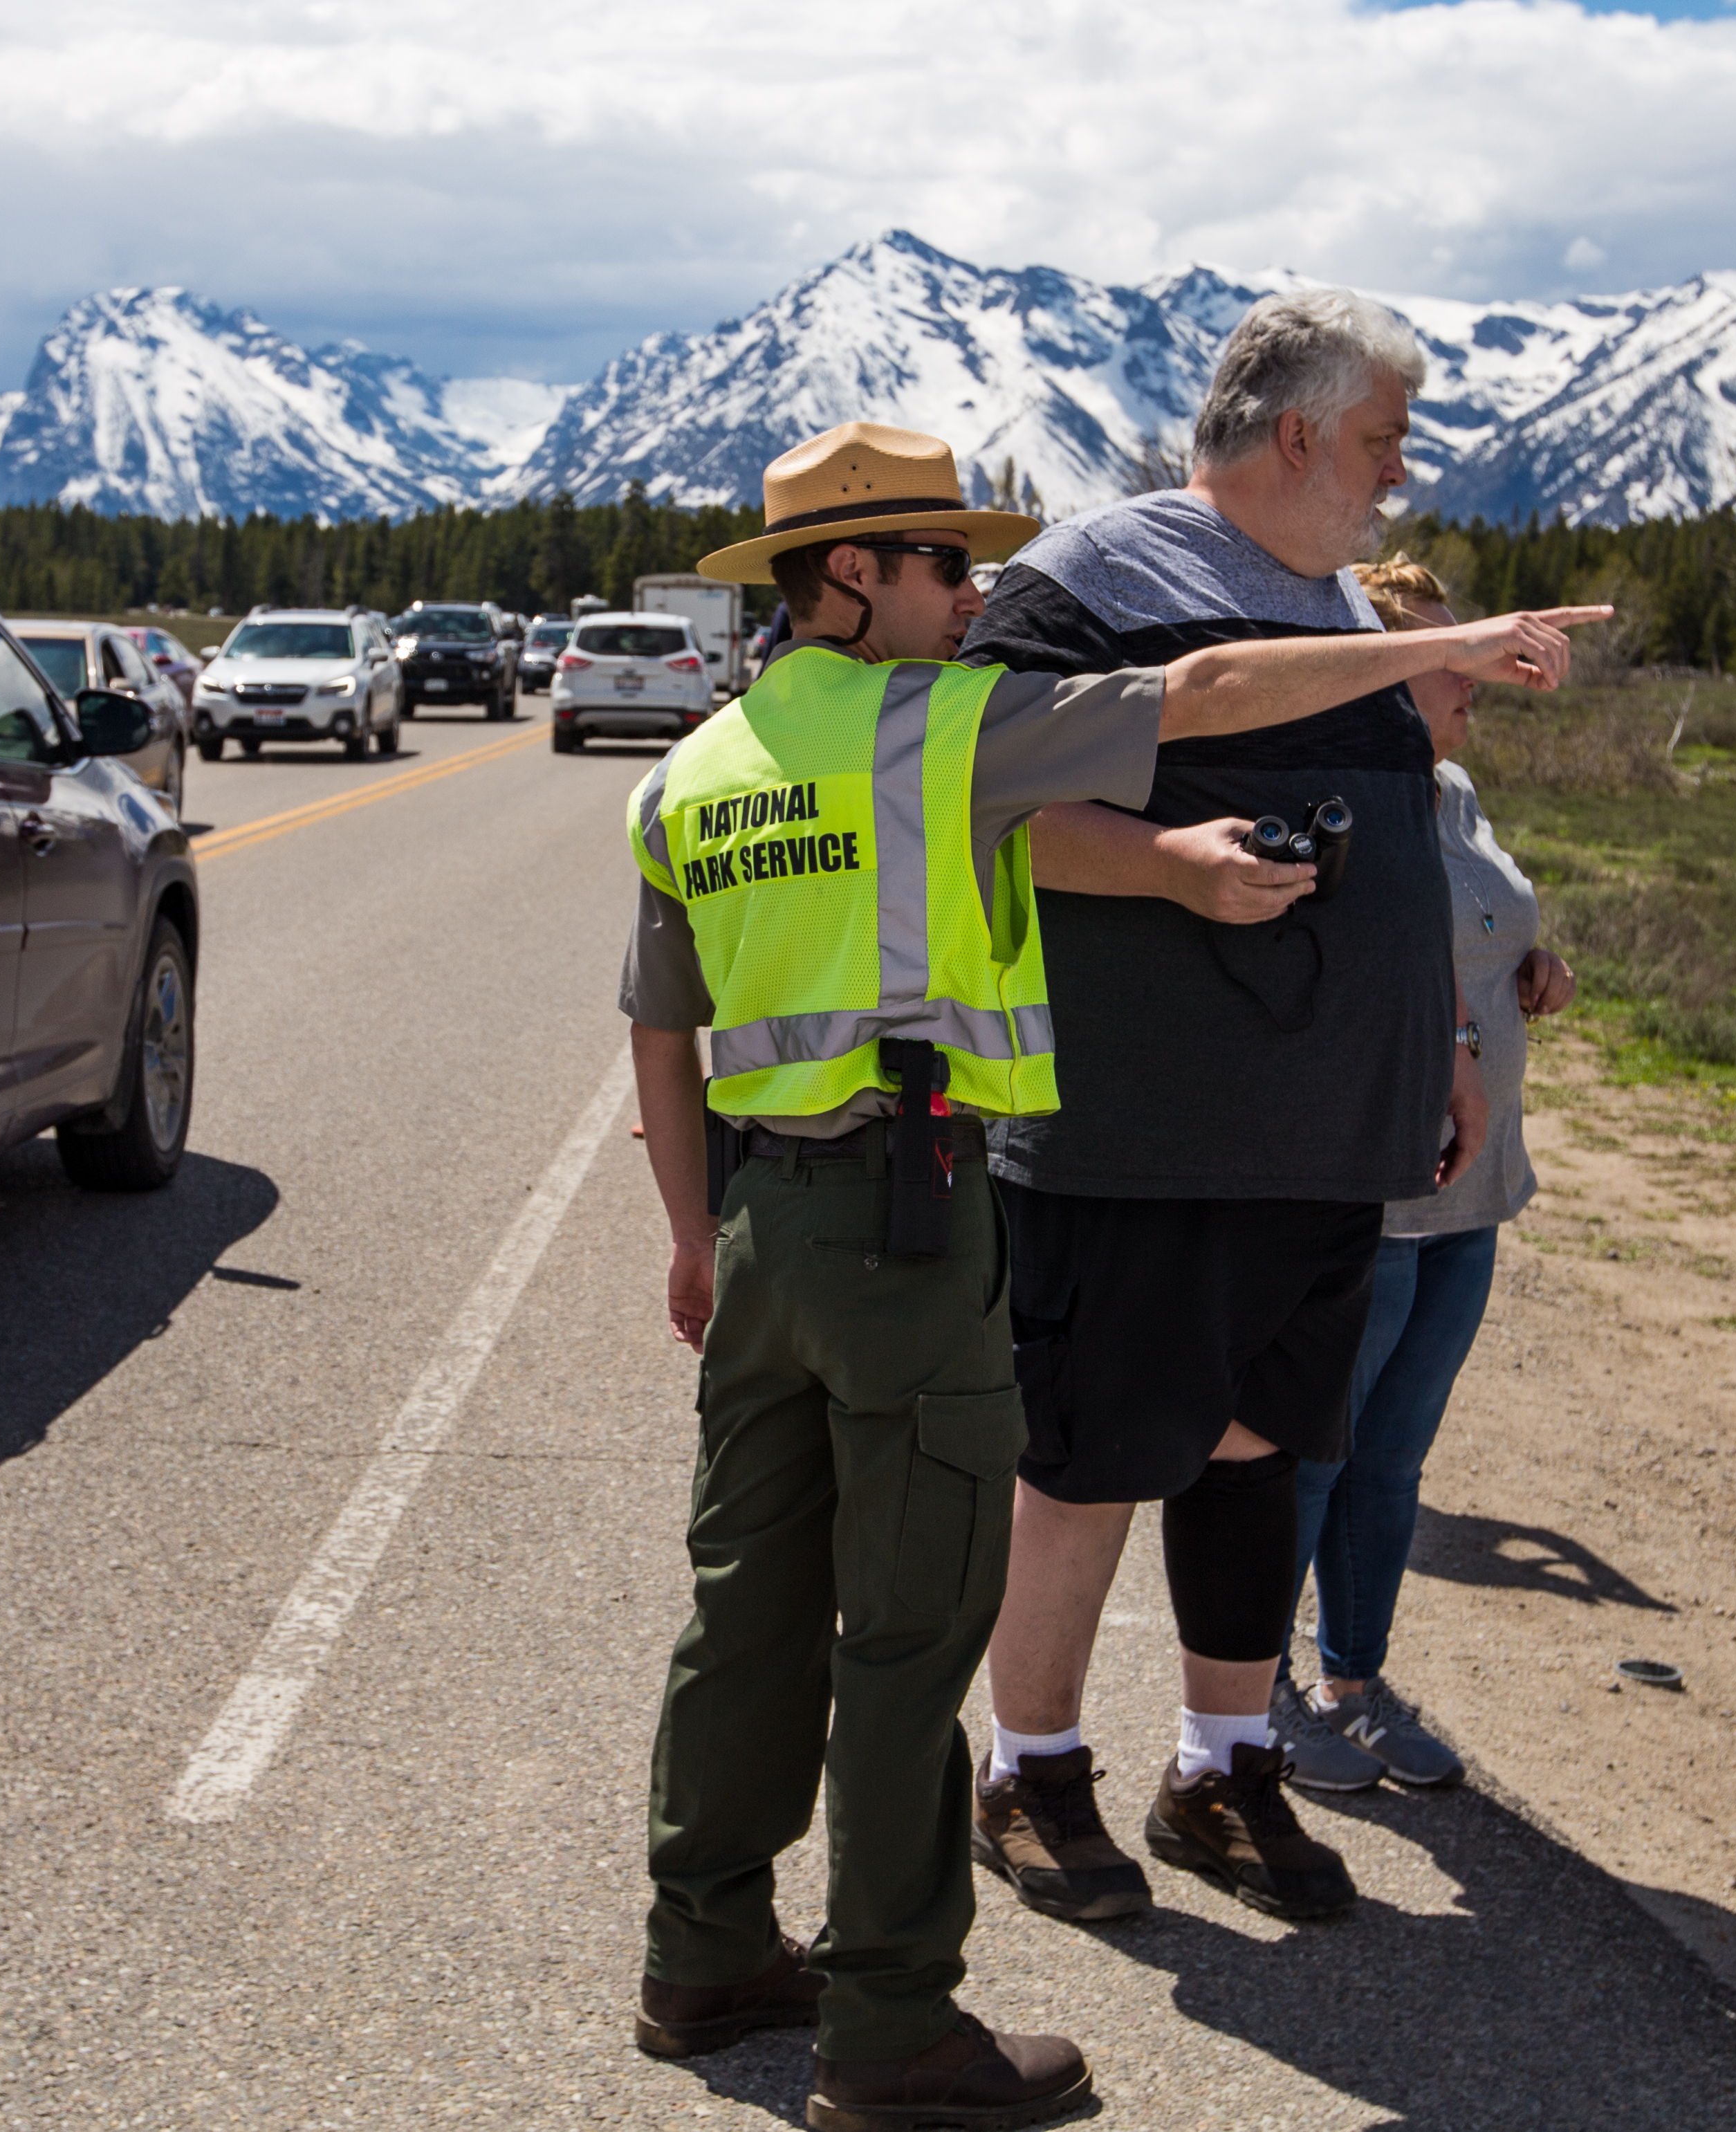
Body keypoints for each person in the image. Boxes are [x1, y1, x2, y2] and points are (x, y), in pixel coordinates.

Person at [619, 419, 1605, 2126]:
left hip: (768, 1218)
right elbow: (1209, 693)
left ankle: (701, 1948)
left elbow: (659, 1024)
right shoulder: (938, 727)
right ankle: (888, 2027)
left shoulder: (692, 769)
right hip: (913, 1215)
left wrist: (696, 1236)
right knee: (909, 1633)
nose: (973, 586)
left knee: (744, 1612)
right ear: (850, 575)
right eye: (941, 561)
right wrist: (1439, 644)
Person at [950, 288, 1591, 1929]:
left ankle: (1219, 1767)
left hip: (1328, 1131)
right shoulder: (1090, 579)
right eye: (1377, 443)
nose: (1394, 480)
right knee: (1091, 1456)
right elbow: (967, 805)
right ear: (1295, 431)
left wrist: (1438, 1035)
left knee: (1253, 1453)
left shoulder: (1321, 596)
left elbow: (1405, 849)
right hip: (1140, 1130)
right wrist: (1158, 864)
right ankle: (1026, 1766)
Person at [1267, 558, 1578, 1792]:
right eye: (1451, 654)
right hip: (1378, 1192)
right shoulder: (1346, 796)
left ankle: (1356, 1680)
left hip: (1475, 1192)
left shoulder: (1453, 795)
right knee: (1314, 1454)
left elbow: (1484, 927)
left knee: (1395, 1459)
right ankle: (1258, 1694)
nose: (1476, 671)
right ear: (1381, 670)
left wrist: (1535, 969)